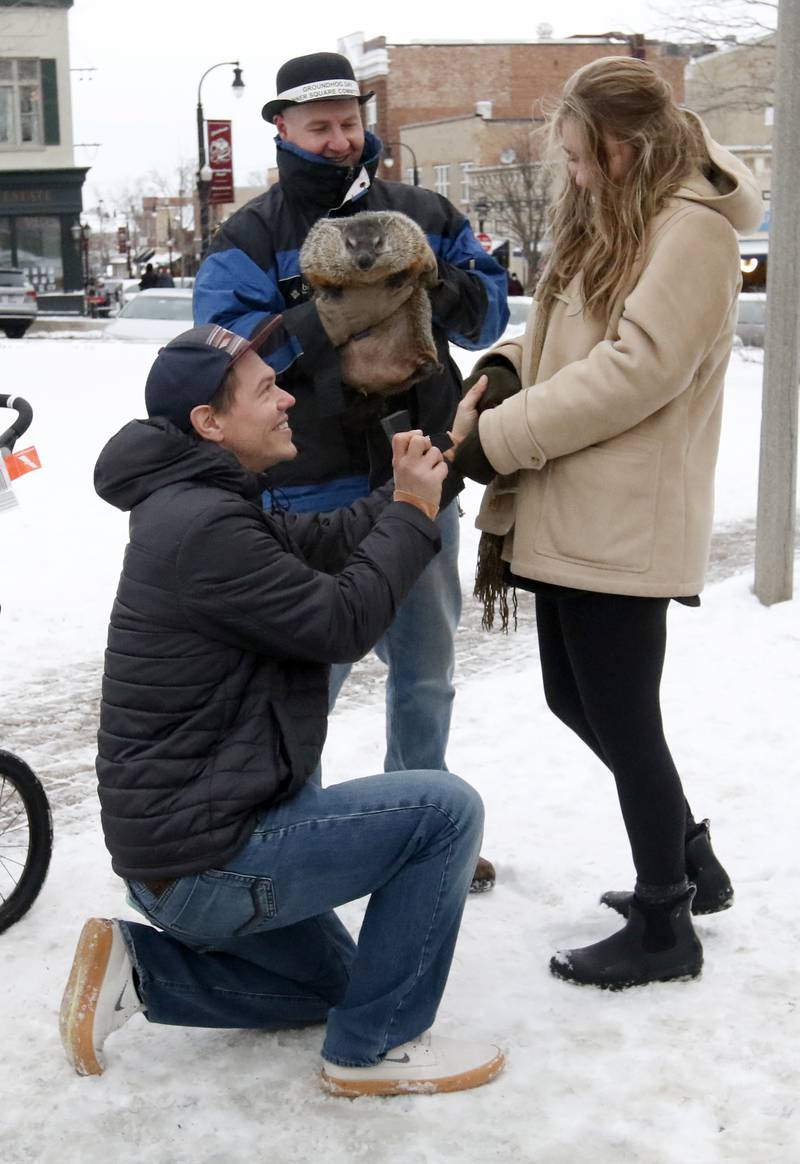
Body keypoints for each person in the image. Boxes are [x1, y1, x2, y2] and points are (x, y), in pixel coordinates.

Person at [58, 320, 504, 1097]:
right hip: (209, 859)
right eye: (266, 389)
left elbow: (330, 539)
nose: (288, 397)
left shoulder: (199, 501)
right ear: (210, 422)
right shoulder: (203, 527)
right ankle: (377, 1050)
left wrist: (427, 474)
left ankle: (143, 972)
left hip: (183, 852)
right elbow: (343, 621)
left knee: (335, 982)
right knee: (446, 811)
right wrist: (409, 513)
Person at [453, 57, 762, 989]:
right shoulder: (618, 217)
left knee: (624, 716)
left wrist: (495, 441)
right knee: (576, 699)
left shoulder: (692, 234)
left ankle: (666, 920)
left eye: (584, 156)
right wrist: (507, 365)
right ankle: (688, 858)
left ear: (626, 146)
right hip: (572, 500)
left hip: (625, 513)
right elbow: (564, 337)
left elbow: (637, 369)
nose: (576, 174)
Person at [193, 53, 509, 893]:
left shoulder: (423, 210)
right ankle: (293, 834)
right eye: (319, 126)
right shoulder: (250, 237)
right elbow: (219, 353)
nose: (339, 140)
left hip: (421, 479)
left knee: (427, 680)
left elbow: (491, 307)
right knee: (304, 688)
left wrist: (432, 280)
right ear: (282, 129)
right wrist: (328, 314)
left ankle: (426, 826)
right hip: (308, 499)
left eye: (349, 122)